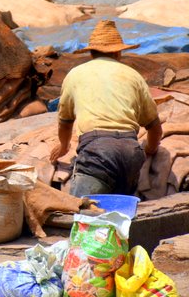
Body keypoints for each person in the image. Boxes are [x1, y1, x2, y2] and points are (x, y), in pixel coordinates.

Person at [50, 20, 162, 196]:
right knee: (121, 209)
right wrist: (150, 149)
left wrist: (64, 146)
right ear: (118, 52)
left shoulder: (75, 74)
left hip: (97, 152)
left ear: (91, 53)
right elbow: (155, 127)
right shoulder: (133, 75)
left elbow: (65, 121)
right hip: (131, 152)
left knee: (83, 209)